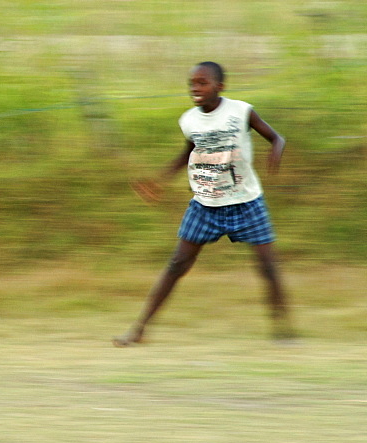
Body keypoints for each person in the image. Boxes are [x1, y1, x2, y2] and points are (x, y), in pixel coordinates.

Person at [114, 61, 295, 346]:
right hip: (206, 204)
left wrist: (275, 152)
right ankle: (138, 330)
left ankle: (283, 331)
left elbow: (277, 138)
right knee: (176, 264)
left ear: (220, 86)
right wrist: (159, 181)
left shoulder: (241, 111)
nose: (195, 89)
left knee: (268, 267)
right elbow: (188, 152)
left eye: (202, 83)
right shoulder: (189, 120)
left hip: (246, 202)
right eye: (192, 84)